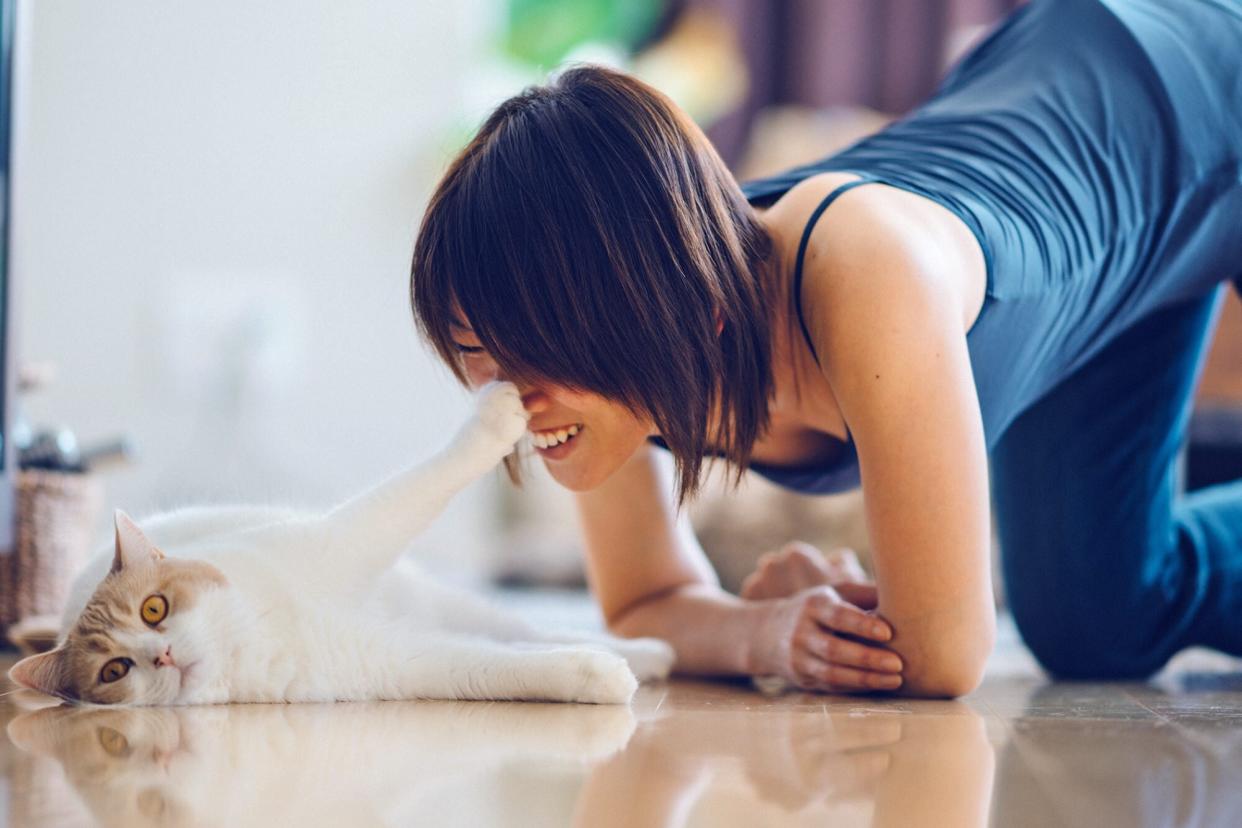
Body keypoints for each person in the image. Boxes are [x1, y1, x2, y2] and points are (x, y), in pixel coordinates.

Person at [410, 0, 1242, 697]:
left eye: (535, 351)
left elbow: (945, 655)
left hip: (1209, 84)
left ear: (656, 310)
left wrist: (841, 617)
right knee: (1096, 620)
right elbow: (646, 603)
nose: (509, 398)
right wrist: (768, 631)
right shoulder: (626, 352)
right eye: (480, 349)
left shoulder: (863, 268)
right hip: (1108, 180)